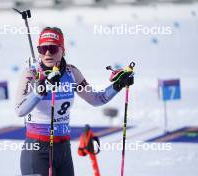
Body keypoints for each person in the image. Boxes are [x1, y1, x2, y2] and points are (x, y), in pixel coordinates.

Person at [15, 27, 134, 176]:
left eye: (52, 48)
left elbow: (96, 99)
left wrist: (118, 85)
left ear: (62, 50)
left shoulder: (72, 73)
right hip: (37, 149)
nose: (47, 53)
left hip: (63, 149)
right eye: (43, 48)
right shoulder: (31, 74)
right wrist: (40, 90)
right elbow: (19, 110)